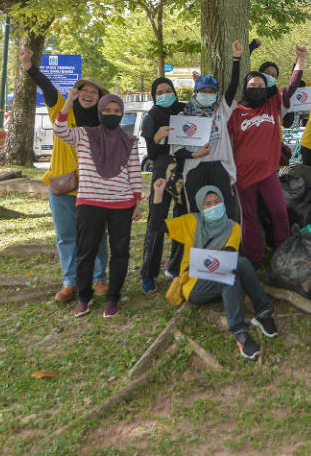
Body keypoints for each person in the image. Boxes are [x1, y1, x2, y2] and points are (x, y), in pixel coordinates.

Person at [18, 46, 110, 303]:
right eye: (84, 90)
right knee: (66, 236)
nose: (89, 94)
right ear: (76, 93)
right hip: (61, 185)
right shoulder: (62, 108)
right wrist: (29, 66)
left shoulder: (105, 123)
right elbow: (47, 88)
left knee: (97, 234)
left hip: (94, 188)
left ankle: (98, 277)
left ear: (101, 98)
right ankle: (70, 281)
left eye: (94, 92)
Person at [148, 179, 278, 359]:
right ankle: (240, 333)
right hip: (195, 284)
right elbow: (156, 226)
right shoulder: (192, 221)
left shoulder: (233, 227)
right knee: (229, 276)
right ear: (201, 207)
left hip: (219, 272)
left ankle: (262, 312)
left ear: (224, 202)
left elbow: (229, 253)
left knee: (242, 264)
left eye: (217, 202)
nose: (213, 206)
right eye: (207, 204)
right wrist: (158, 194)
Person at [53, 91, 142, 318]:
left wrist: (137, 202)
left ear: (122, 114)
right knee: (86, 251)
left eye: (117, 111)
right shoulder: (84, 135)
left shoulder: (129, 141)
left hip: (121, 205)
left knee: (120, 252)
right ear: (99, 111)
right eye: (107, 110)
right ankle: (84, 298)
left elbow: (134, 174)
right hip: (89, 203)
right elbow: (60, 130)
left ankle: (113, 298)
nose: (112, 114)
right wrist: (68, 103)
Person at [229, 44, 307, 265]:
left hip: (268, 173)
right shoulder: (236, 112)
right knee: (249, 218)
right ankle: (254, 259)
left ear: (266, 88)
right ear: (246, 87)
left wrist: (300, 59)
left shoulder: (272, 105)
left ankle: (283, 255)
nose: (256, 88)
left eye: (260, 85)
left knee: (280, 213)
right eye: (252, 85)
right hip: (243, 176)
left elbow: (292, 86)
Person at [173, 52, 240, 217]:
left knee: (226, 211)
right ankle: (199, 243)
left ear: (216, 93)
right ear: (196, 91)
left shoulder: (221, 110)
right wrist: (196, 154)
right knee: (197, 213)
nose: (207, 94)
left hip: (220, 166)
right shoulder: (184, 116)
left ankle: (228, 243)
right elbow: (177, 150)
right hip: (195, 168)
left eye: (211, 91)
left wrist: (236, 59)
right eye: (203, 90)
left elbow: (233, 85)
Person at [139, 77, 187, 293]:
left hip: (185, 171)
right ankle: (148, 273)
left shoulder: (186, 110)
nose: (165, 94)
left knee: (182, 219)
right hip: (161, 171)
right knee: (156, 219)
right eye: (160, 91)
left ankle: (175, 265)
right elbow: (151, 153)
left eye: (168, 90)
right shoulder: (151, 117)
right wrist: (157, 137)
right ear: (154, 95)